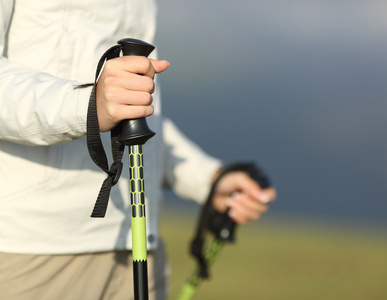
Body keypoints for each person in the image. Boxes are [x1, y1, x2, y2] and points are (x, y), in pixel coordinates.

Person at [0, 1, 276, 300]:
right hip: (34, 251)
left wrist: (207, 179)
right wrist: (87, 105)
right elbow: (102, 101)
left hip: (140, 243)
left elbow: (135, 114)